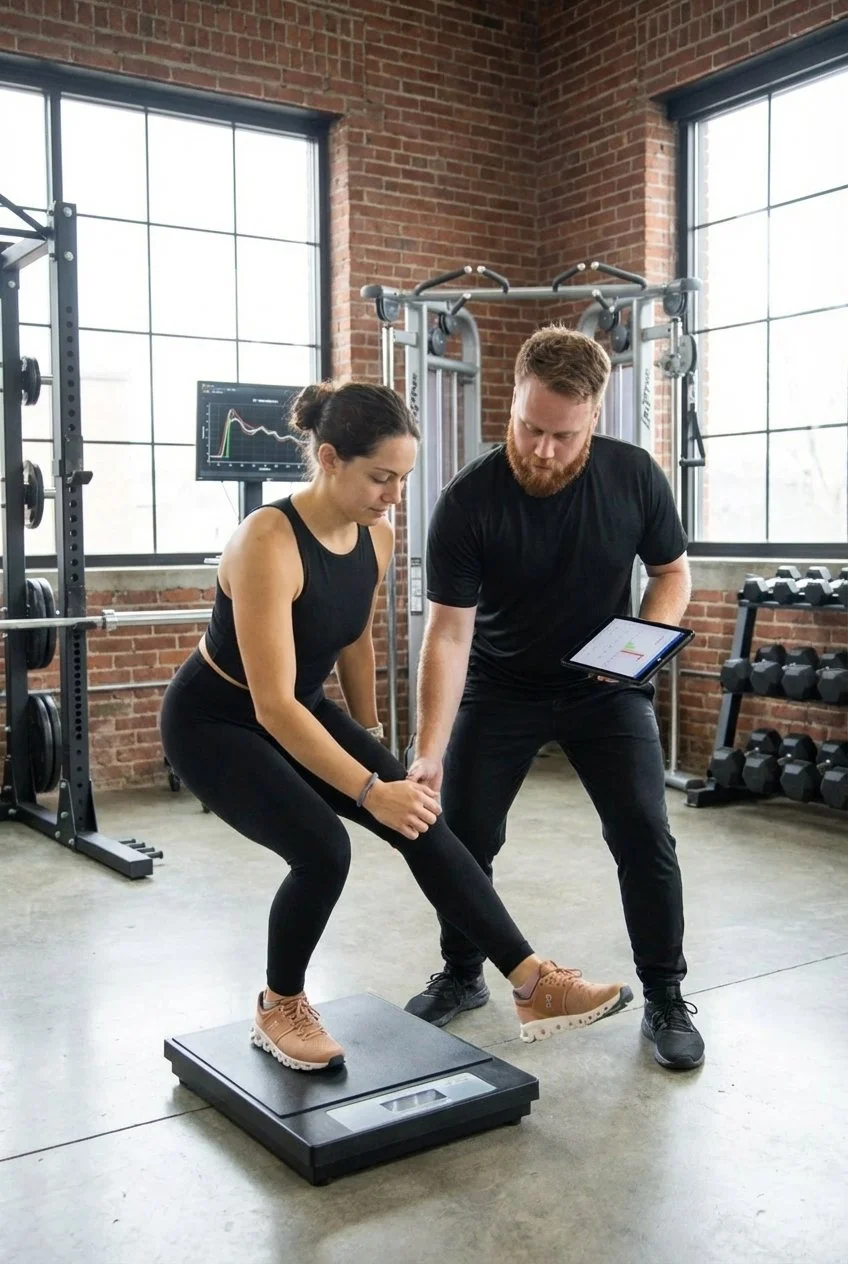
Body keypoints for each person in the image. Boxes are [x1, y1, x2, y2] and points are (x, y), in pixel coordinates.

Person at [160, 380, 632, 1073]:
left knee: (419, 818)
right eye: (380, 477)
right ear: (328, 458)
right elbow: (273, 707)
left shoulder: (373, 536)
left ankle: (534, 983)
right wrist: (365, 788)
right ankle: (279, 1004)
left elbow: (353, 639)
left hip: (299, 708)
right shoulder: (267, 540)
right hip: (218, 720)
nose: (393, 496)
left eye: (403, 479)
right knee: (323, 851)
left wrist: (374, 741)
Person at [404, 327, 705, 1072]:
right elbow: (446, 636)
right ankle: (464, 972)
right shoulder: (469, 501)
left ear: (594, 417)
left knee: (643, 833)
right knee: (463, 836)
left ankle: (665, 994)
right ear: (513, 402)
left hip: (604, 689)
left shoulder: (634, 476)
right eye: (530, 427)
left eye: (562, 435)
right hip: (501, 686)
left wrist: (641, 642)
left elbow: (671, 574)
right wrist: (429, 752)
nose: (542, 449)